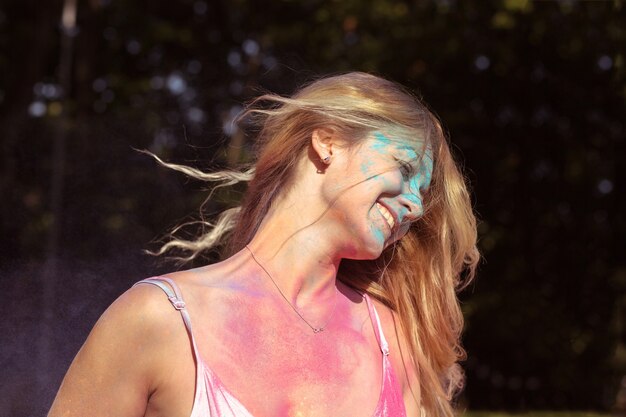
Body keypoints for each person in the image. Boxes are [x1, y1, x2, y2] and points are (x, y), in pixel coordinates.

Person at [48, 72, 479, 417]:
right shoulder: (160, 321)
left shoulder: (395, 343)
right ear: (327, 143)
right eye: (404, 169)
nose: (415, 206)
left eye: (423, 193)